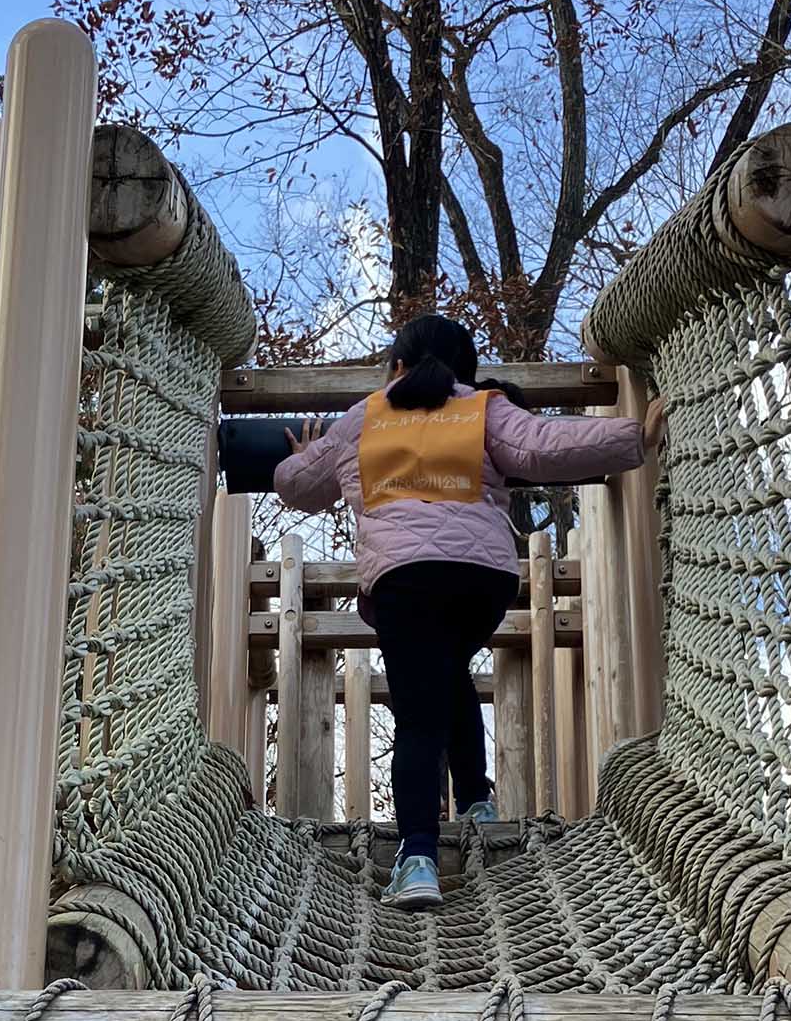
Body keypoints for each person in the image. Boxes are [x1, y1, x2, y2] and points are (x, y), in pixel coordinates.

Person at [274, 315, 664, 909]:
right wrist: (633, 438)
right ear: (464, 369)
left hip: (405, 582)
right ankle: (477, 799)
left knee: (417, 713)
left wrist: (296, 458)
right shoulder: (482, 408)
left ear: (398, 367)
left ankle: (419, 858)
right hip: (481, 582)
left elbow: (300, 484)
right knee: (447, 670)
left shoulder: (365, 417)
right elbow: (544, 447)